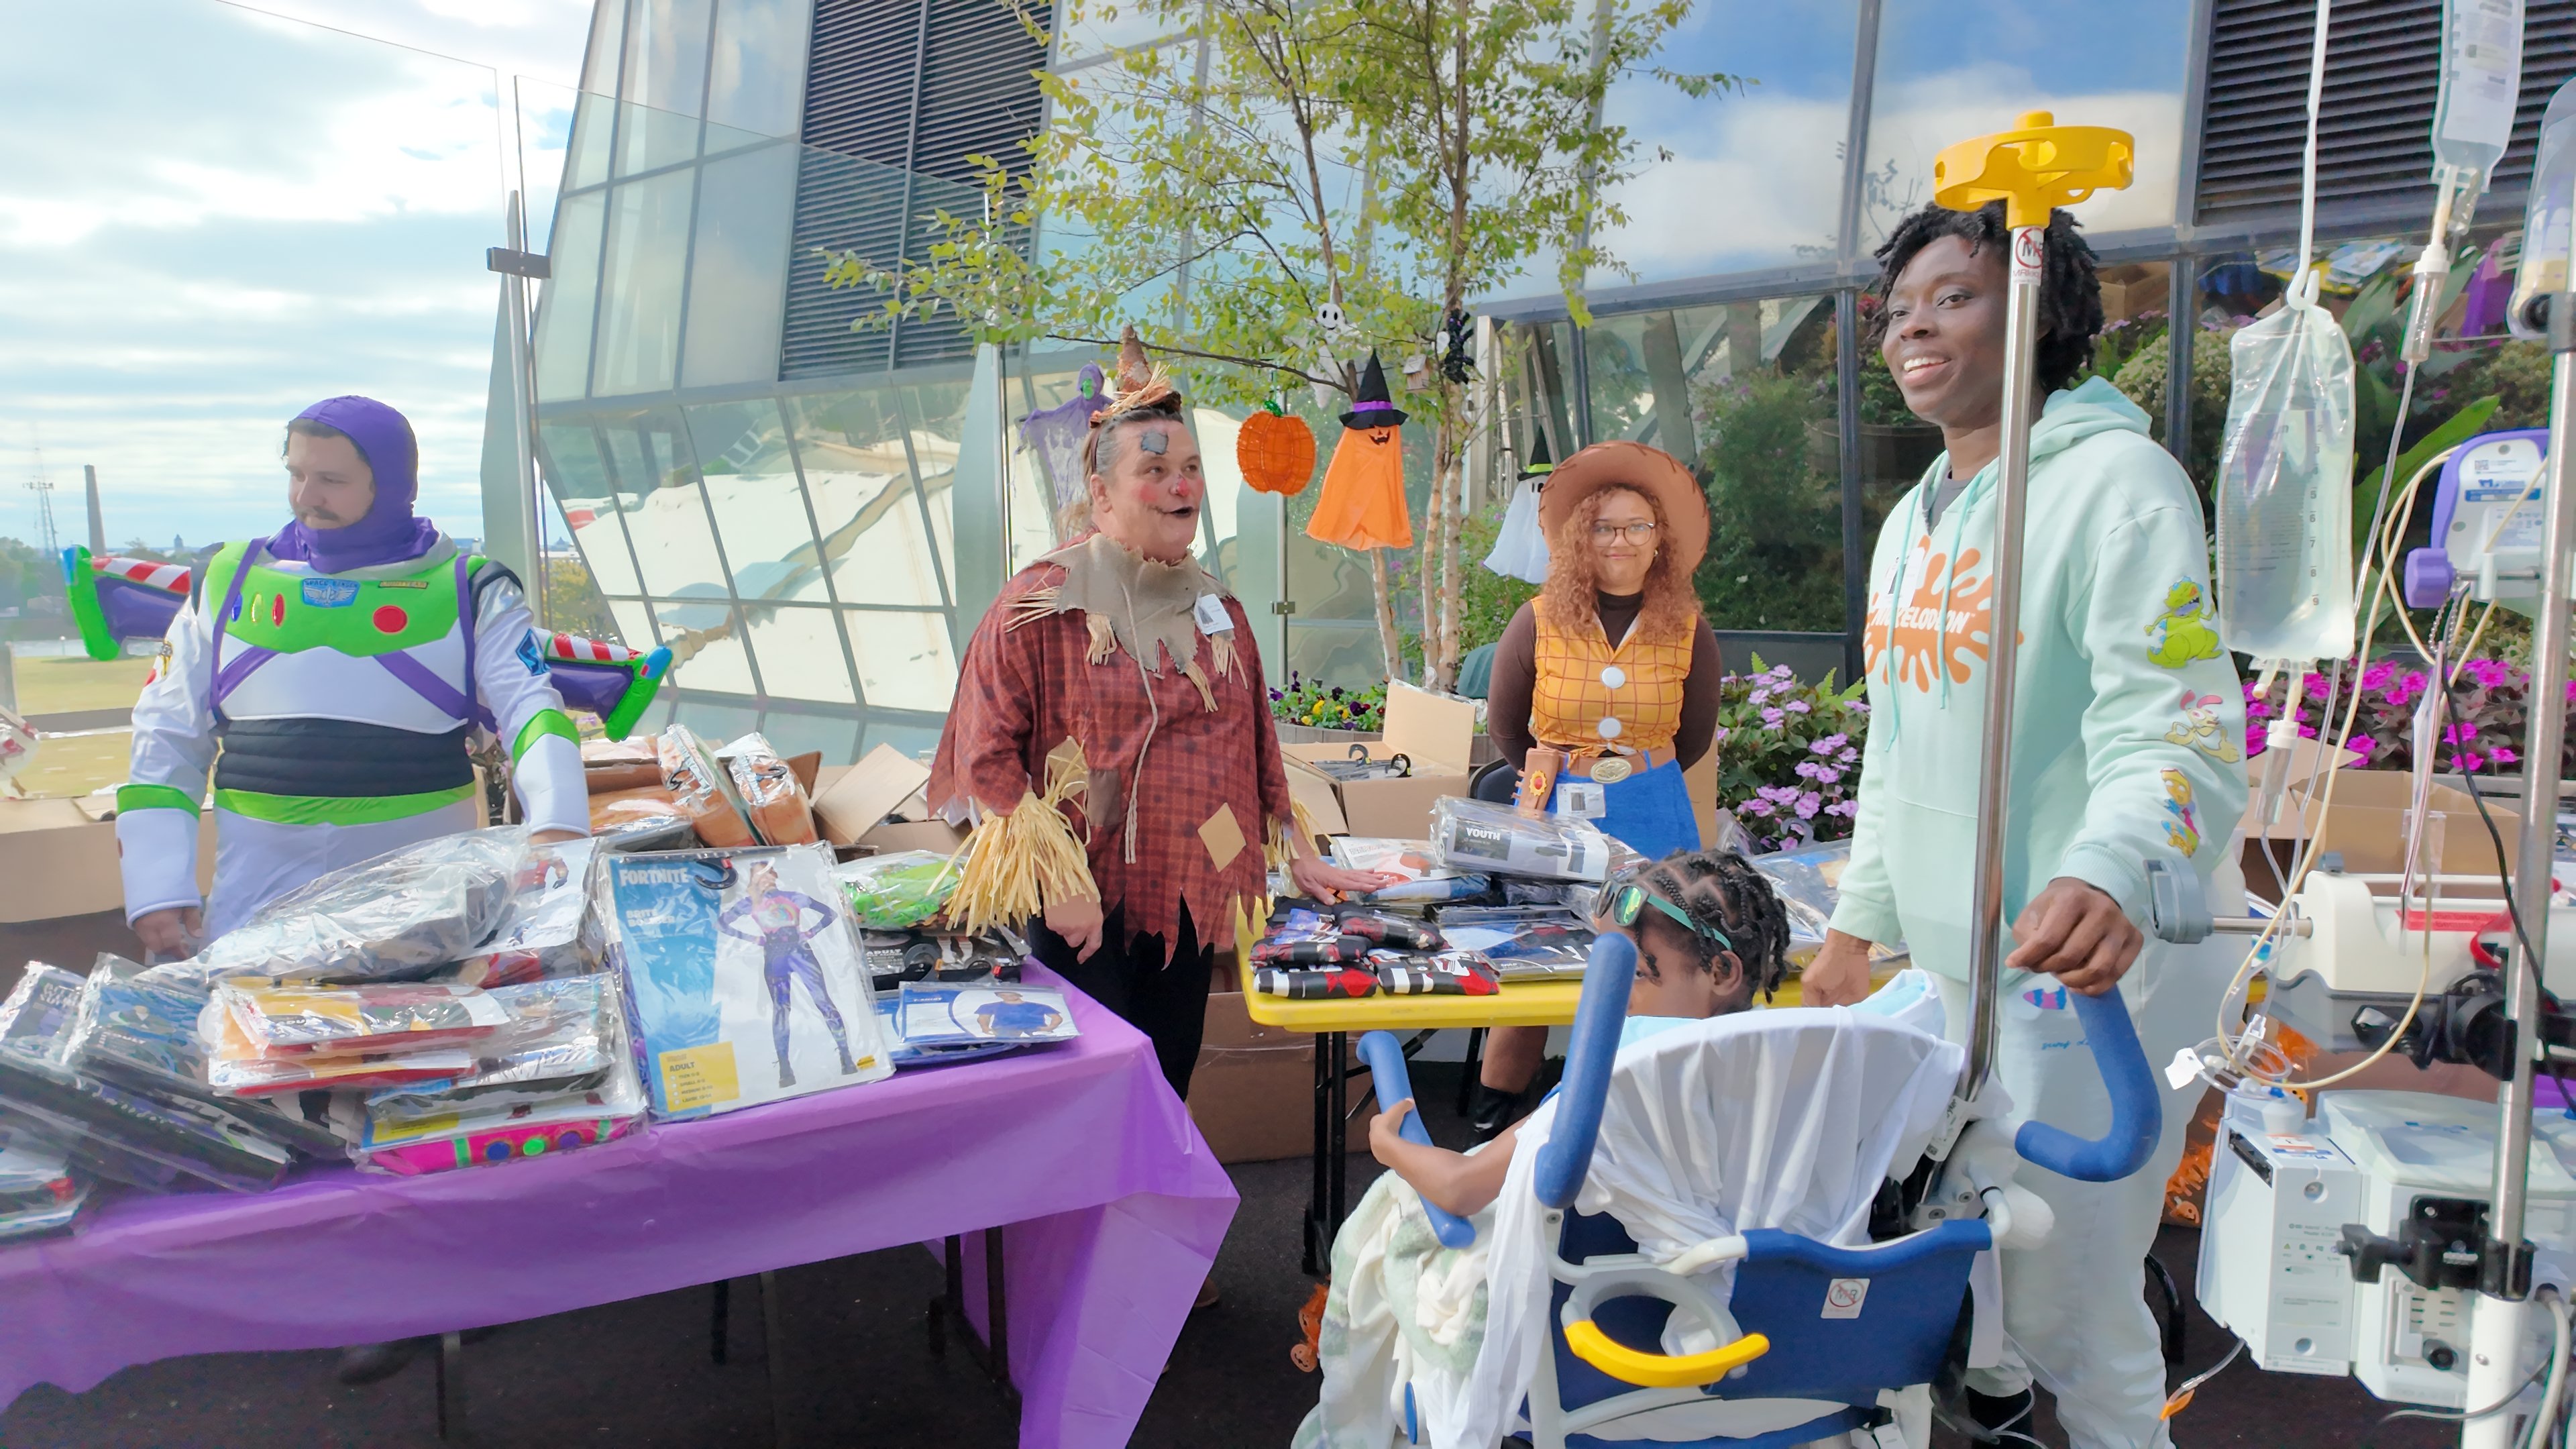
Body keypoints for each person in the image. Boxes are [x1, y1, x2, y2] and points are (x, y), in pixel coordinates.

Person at [1799, 201, 2247, 1449]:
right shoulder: (1913, 525)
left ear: (2042, 312)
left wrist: (2111, 866)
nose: (1914, 329)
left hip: (2095, 971)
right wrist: (1858, 927)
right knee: (1898, 1264)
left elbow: (2177, 720)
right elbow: (1896, 747)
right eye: (1900, 308)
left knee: (2069, 1301)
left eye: (1955, 296)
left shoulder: (2120, 485)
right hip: (1952, 966)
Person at [113, 395, 588, 1386]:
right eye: (296, 472)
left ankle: (441, 1293)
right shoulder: (234, 579)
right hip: (258, 892)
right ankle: (311, 1291)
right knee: (280, 1090)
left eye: (331, 477)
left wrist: (555, 830)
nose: (307, 496)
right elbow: (165, 736)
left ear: (391, 480)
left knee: (418, 1091)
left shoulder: (468, 586)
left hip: (420, 894)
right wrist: (156, 883)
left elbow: (532, 709)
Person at [928, 333, 1391, 1102]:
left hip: (1190, 885)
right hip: (1082, 894)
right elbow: (984, 755)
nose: (1182, 487)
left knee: (1168, 1076)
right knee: (1095, 1090)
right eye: (1155, 471)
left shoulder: (1220, 609)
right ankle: (1087, 1221)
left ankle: (1154, 1218)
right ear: (1102, 495)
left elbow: (1254, 740)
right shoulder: (1039, 604)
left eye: (1190, 469)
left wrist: (1293, 844)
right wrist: (1055, 876)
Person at [1293, 846, 1790, 1449]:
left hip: (1588, 1346)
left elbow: (1458, 1188)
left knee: (1399, 1197)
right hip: (1760, 1352)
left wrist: (1390, 1146)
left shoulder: (1623, 1079)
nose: (1614, 999)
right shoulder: (1796, 1075)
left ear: (1720, 972)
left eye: (1634, 973)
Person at [1474, 440, 1723, 1141]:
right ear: (1582, 537)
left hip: (1654, 815)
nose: (1621, 541)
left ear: (1659, 542)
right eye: (1606, 527)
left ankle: (1640, 1128)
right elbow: (1505, 726)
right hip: (1557, 814)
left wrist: (1635, 773)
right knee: (1536, 969)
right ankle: (1495, 1127)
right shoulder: (1538, 619)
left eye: (1637, 527)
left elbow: (1694, 737)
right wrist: (1561, 775)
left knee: (1660, 966)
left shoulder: (1687, 628)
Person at [718, 860, 857, 1087]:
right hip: (775, 955)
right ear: (754, 881)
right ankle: (785, 1068)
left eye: (767, 874)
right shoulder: (749, 903)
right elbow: (722, 923)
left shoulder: (794, 897)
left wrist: (809, 932)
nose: (765, 879)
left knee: (823, 1001)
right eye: (759, 876)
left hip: (800, 951)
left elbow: (830, 913)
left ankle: (846, 1056)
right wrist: (752, 939)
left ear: (774, 876)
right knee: (781, 1010)